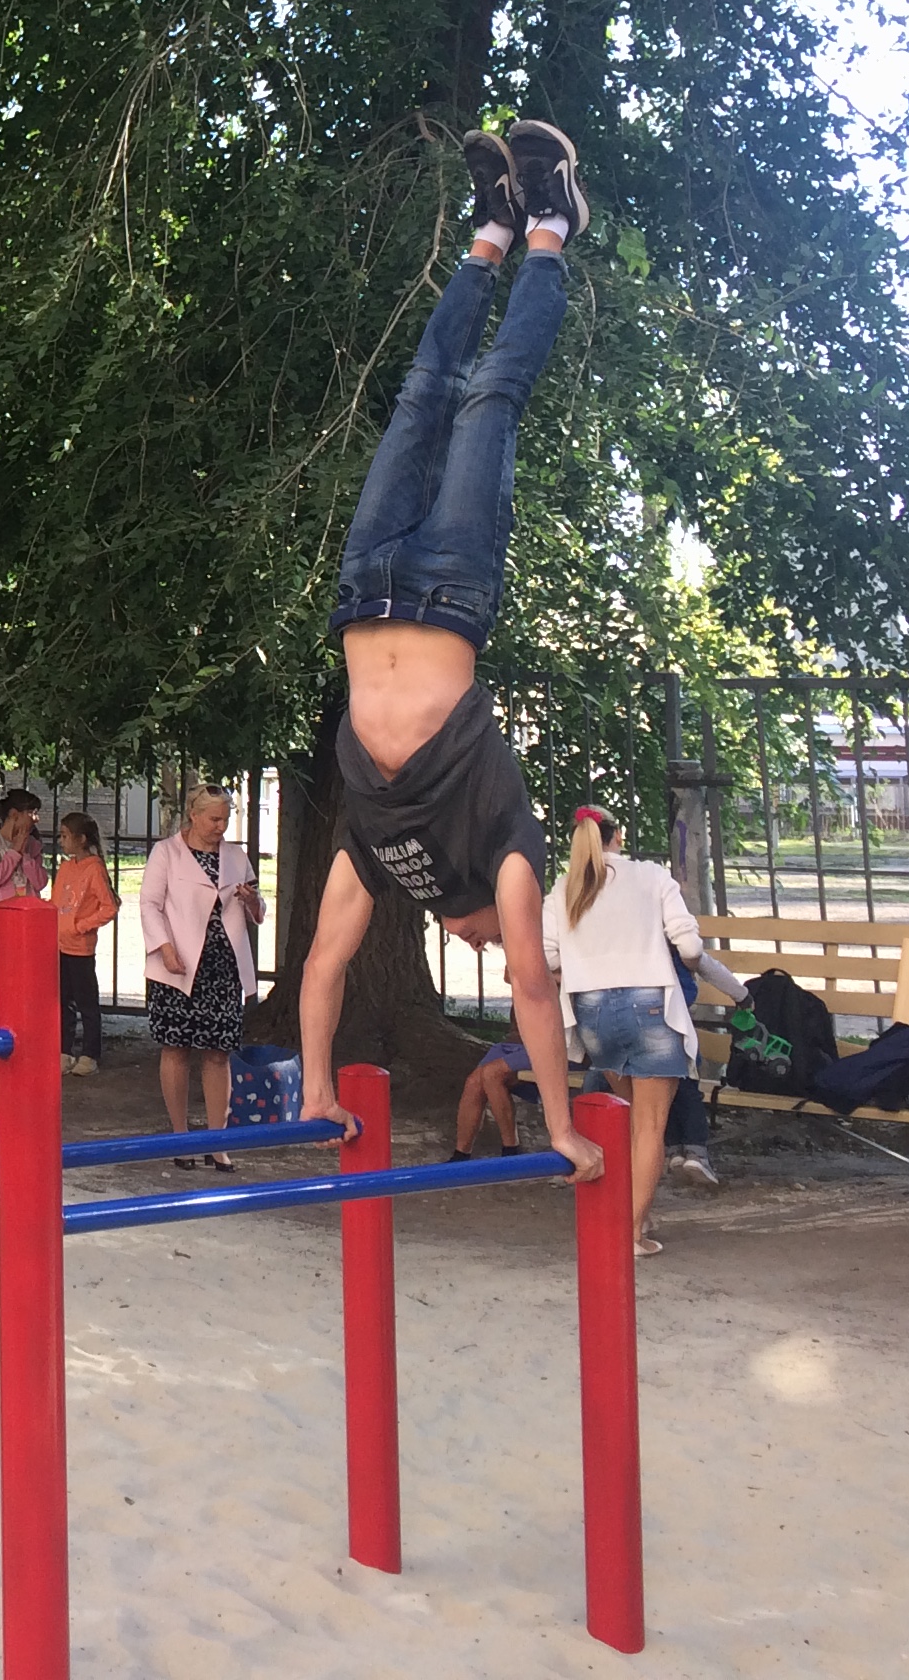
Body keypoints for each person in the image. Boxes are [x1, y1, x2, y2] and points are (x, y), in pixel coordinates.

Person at [293, 123, 606, 1190]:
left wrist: (316, 1087)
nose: (475, 943)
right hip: (451, 592)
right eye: (482, 942)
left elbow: (324, 963)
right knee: (488, 399)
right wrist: (559, 1125)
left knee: (423, 390)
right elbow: (533, 987)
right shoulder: (507, 855)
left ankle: (491, 233)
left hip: (367, 584)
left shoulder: (381, 856)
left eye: (467, 946)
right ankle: (553, 228)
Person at [542, 806, 717, 1257]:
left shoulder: (564, 888)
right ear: (617, 836)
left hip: (592, 1013)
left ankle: (635, 1211)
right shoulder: (651, 876)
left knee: (629, 1118)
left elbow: (548, 957)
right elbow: (689, 944)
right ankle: (631, 1232)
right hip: (651, 1007)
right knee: (649, 1128)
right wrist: (690, 965)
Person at [143, 786, 262, 1168]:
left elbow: (258, 910)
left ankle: (217, 1140)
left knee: (218, 1053)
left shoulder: (236, 856)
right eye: (214, 819)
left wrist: (251, 901)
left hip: (223, 967)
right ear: (193, 815)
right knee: (176, 1048)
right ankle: (180, 1137)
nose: (220, 826)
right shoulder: (167, 852)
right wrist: (164, 947)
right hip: (177, 965)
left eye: (225, 819)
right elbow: (149, 904)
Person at [50, 810, 118, 1074]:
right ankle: (64, 1050)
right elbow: (57, 901)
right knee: (62, 1000)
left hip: (80, 947)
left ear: (81, 839)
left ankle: (90, 1054)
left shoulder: (94, 869)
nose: (61, 841)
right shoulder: (66, 867)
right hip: (59, 944)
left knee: (86, 1002)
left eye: (65, 836)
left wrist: (81, 926)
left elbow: (109, 907)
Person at [451, 1039, 533, 1159]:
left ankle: (511, 1150)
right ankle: (461, 1155)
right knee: (473, 1082)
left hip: (544, 1047)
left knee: (492, 1073)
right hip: (512, 1044)